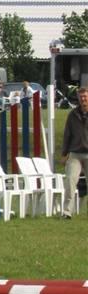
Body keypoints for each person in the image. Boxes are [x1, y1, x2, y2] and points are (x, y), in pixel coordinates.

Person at [60, 85, 88, 220]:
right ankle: (67, 212)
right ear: (78, 98)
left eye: (85, 97)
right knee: (70, 181)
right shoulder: (73, 114)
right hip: (75, 153)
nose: (83, 99)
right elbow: (67, 134)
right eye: (81, 97)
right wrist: (64, 153)